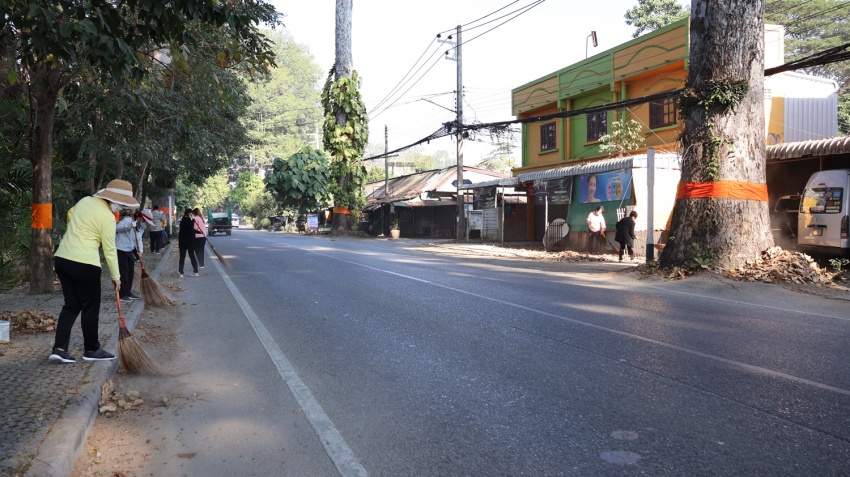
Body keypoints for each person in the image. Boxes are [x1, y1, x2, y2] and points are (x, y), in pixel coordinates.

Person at [50, 179, 140, 363]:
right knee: (90, 308)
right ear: (114, 200)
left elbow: (70, 214)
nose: (120, 209)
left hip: (62, 259)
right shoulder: (107, 217)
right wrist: (116, 277)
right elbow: (109, 249)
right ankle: (91, 349)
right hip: (85, 264)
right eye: (121, 205)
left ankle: (59, 349)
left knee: (71, 305)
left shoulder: (84, 202)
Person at [115, 209, 140, 301]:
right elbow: (116, 228)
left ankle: (128, 292)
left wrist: (137, 250)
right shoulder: (127, 220)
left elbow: (135, 238)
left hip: (129, 249)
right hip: (121, 249)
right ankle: (122, 294)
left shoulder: (136, 223)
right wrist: (129, 226)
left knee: (130, 272)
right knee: (124, 272)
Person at [178, 208, 199, 278]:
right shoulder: (189, 221)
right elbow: (190, 228)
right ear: (190, 214)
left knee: (182, 256)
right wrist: (193, 219)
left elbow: (190, 229)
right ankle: (195, 271)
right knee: (192, 255)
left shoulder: (183, 220)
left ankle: (181, 272)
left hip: (182, 241)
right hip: (190, 241)